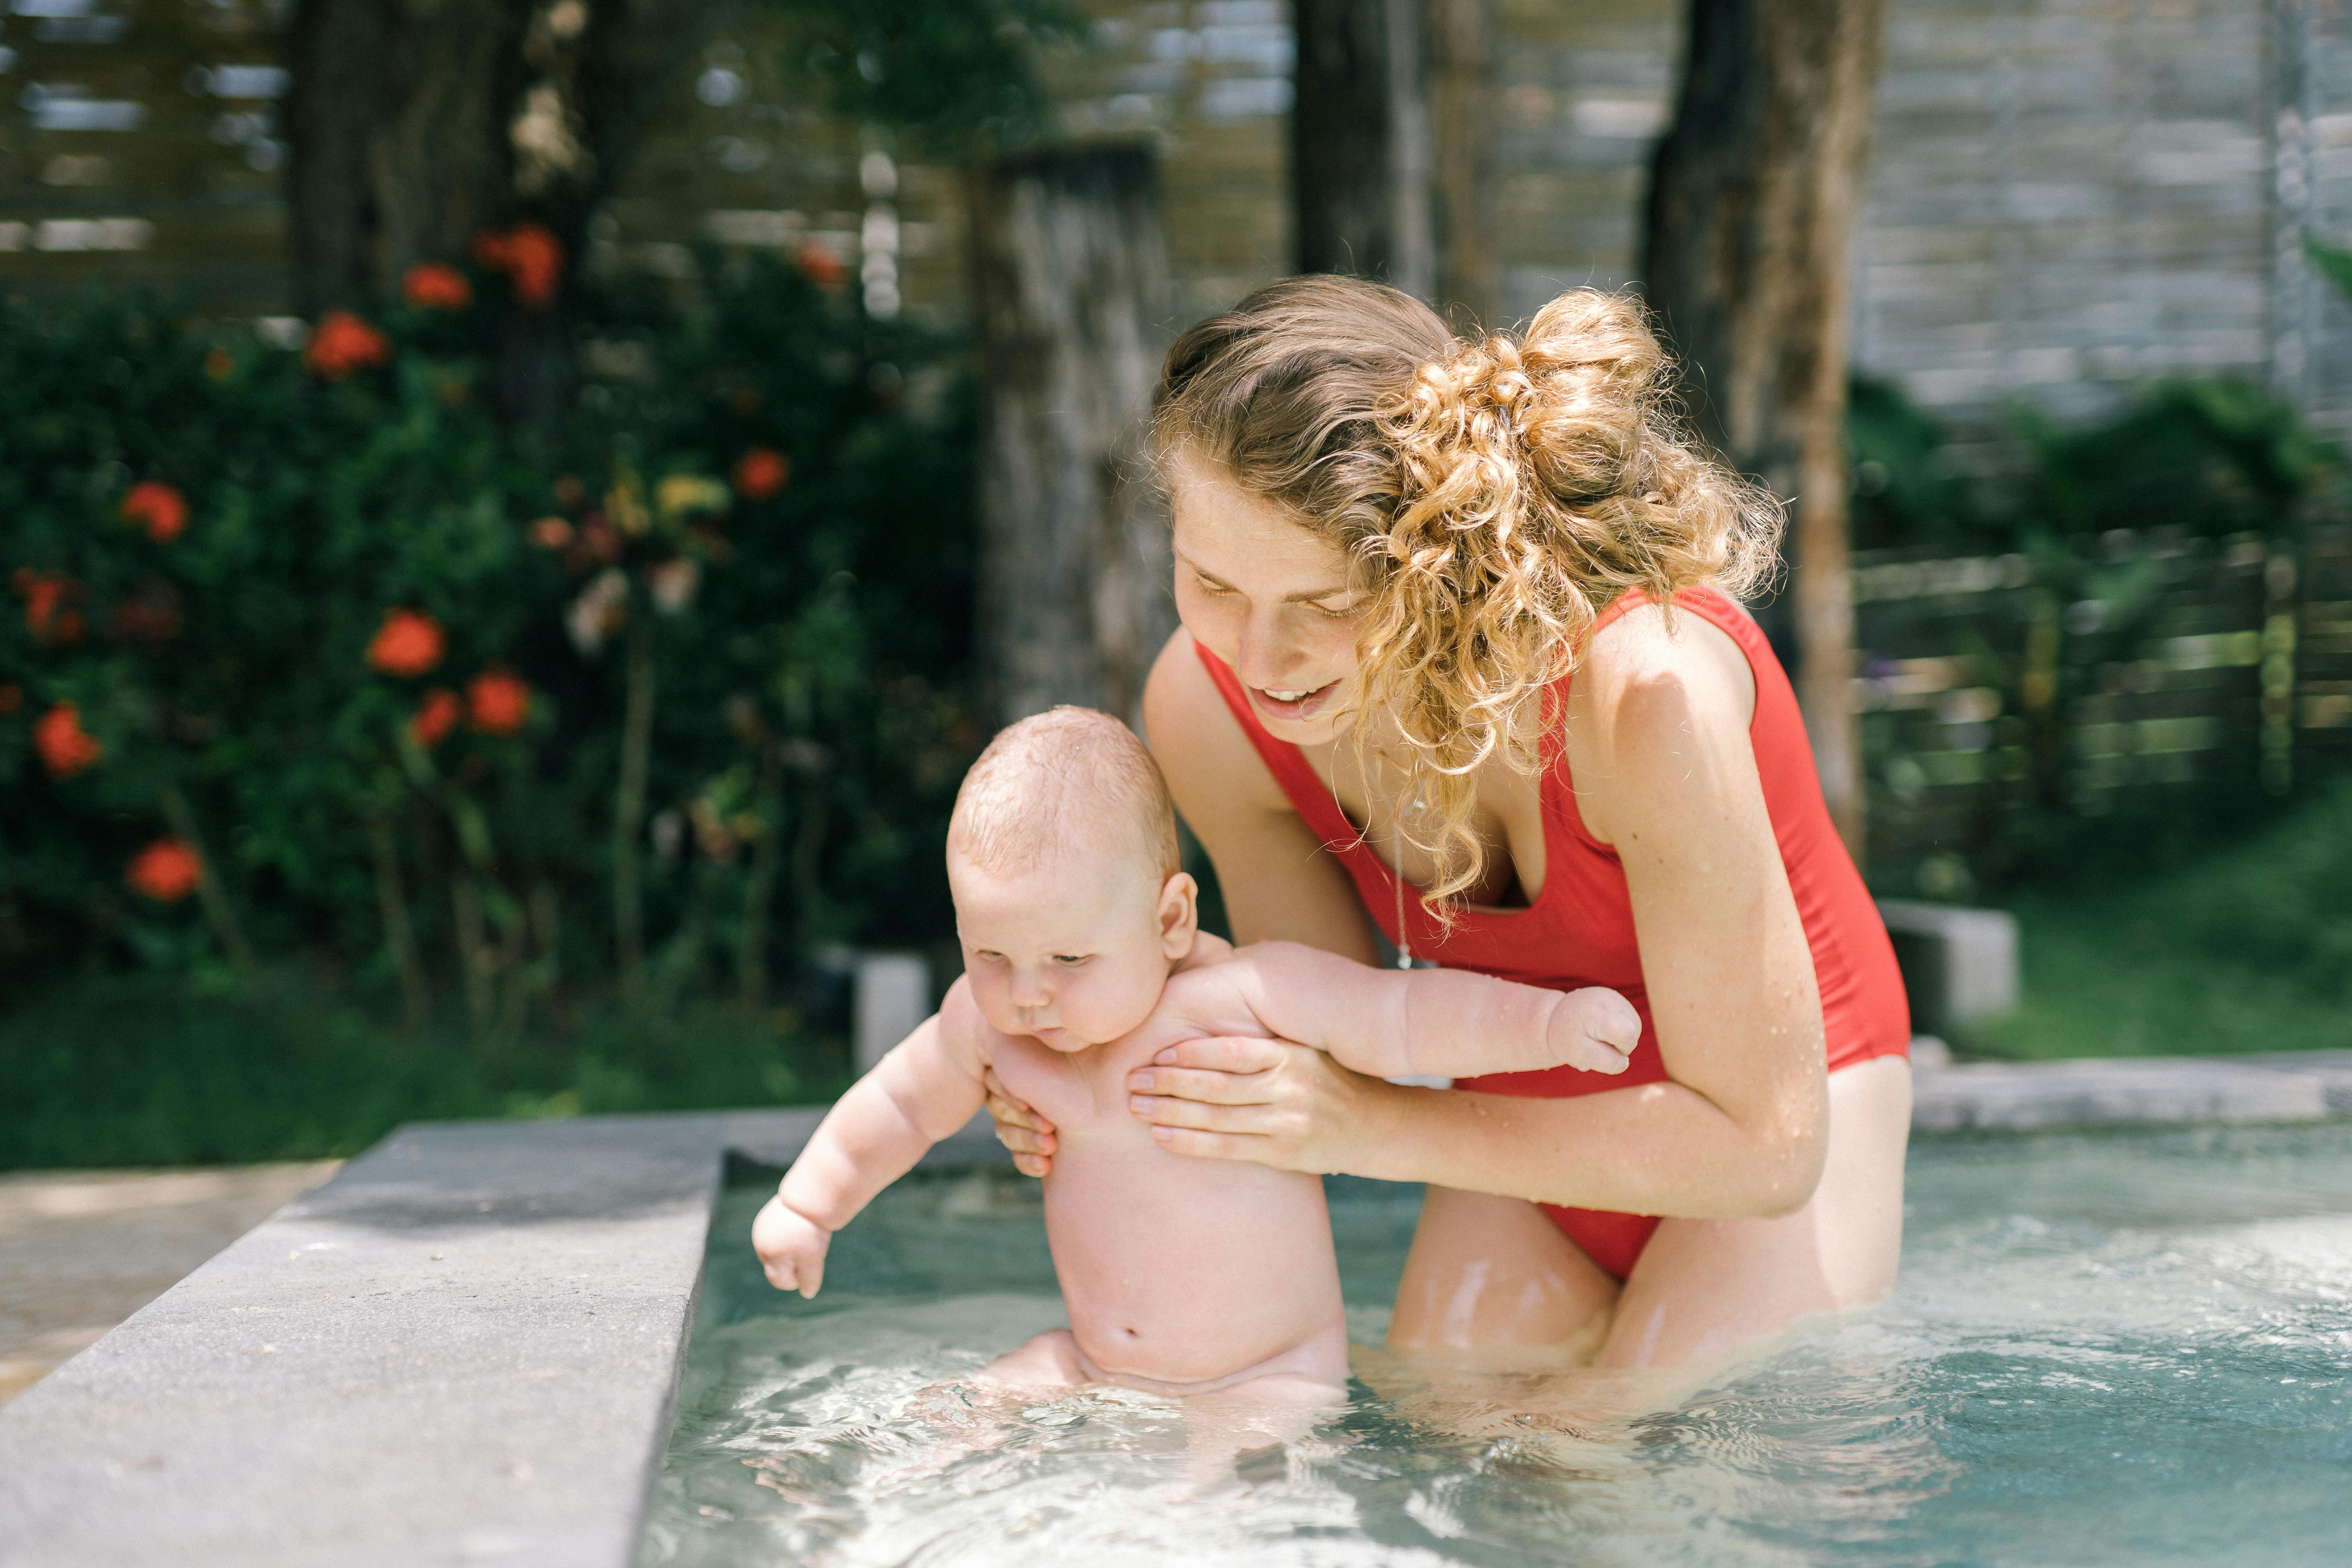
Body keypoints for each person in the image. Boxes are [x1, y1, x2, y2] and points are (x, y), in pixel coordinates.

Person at [982, 278, 1915, 1373]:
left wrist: (1367, 1130)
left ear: (1445, 562)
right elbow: (1307, 1032)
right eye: (1211, 583)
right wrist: (1089, 1065)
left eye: (1328, 606)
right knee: (1456, 1460)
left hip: (1777, 1110)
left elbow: (1767, 1149)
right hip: (1517, 1113)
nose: (1259, 658)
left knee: (1664, 1496)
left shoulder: (1646, 694)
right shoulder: (1209, 709)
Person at [751, 706, 1642, 1405]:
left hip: (1271, 1375)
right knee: (965, 1408)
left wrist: (1549, 1026)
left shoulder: (1244, 999)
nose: (1028, 993)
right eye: (991, 956)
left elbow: (1405, 1016)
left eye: (1068, 959)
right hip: (1094, 1362)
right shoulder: (990, 1028)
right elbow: (901, 1105)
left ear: (1172, 920)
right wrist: (809, 1203)